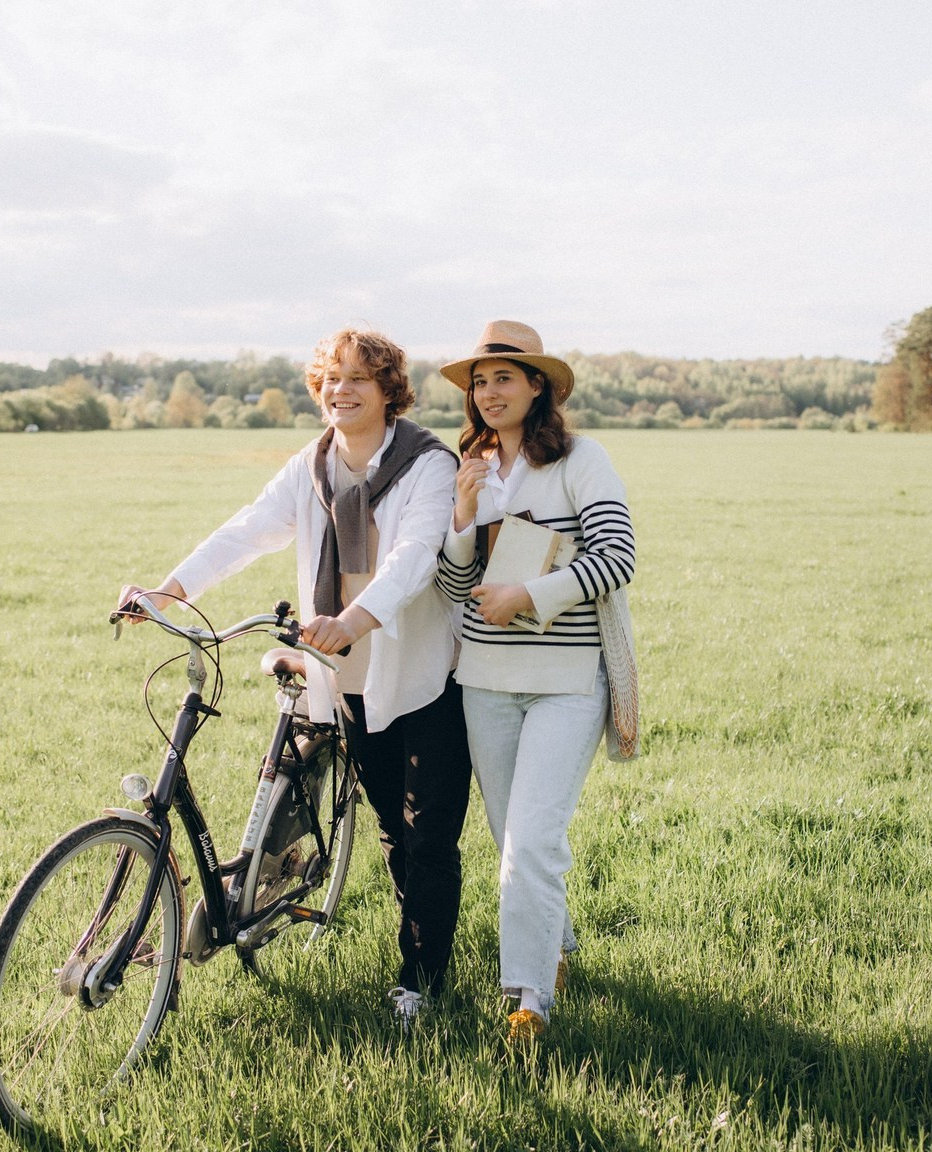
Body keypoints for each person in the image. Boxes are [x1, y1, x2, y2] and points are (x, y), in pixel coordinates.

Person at [118, 328, 471, 1031]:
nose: (340, 391)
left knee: (427, 836)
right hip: (344, 677)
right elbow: (250, 529)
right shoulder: (311, 466)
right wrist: (169, 591)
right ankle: (396, 939)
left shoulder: (427, 463)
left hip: (423, 671)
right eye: (331, 378)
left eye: (358, 380)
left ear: (388, 390)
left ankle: (421, 981)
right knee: (392, 834)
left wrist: (354, 618)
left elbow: (414, 554)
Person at [436, 320, 636, 1044]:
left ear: (538, 386)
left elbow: (617, 557)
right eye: (479, 382)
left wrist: (529, 594)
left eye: (504, 378)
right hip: (484, 679)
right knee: (510, 836)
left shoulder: (583, 460)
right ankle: (559, 948)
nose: (489, 393)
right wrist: (462, 516)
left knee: (530, 841)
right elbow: (456, 584)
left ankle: (527, 1000)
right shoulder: (474, 467)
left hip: (565, 678)